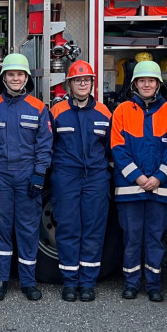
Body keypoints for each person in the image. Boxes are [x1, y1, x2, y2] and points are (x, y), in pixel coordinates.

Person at [0, 53, 53, 301]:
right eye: (11, 74)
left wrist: (39, 174)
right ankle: (0, 281)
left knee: (28, 230)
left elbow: (44, 146)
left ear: (26, 78)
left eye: (20, 74)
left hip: (27, 176)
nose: (16, 78)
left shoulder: (39, 108)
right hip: (0, 177)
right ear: (3, 78)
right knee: (0, 230)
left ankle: (28, 282)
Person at [111, 61, 167, 303]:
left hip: (159, 189)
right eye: (142, 81)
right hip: (131, 188)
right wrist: (139, 177)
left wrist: (158, 177)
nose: (146, 85)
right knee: (132, 238)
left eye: (151, 81)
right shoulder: (122, 111)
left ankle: (153, 284)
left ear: (158, 84)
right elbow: (117, 148)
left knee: (155, 238)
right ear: (134, 84)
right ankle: (131, 283)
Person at [49, 61, 112, 302]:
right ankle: (69, 282)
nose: (83, 83)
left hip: (96, 177)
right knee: (68, 228)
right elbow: (48, 144)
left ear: (92, 83)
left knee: (93, 229)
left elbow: (111, 147)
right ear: (69, 84)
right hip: (66, 176)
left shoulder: (104, 113)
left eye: (86, 80)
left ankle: (87, 283)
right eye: (78, 80)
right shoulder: (57, 112)